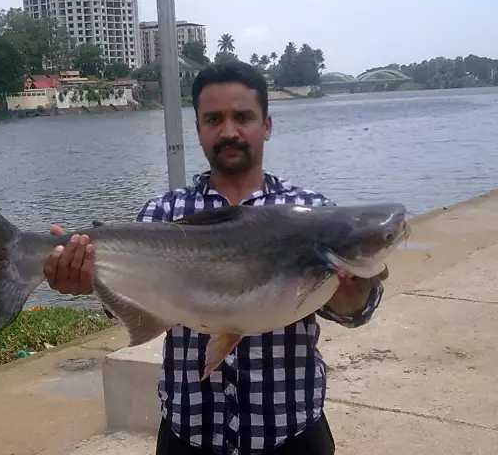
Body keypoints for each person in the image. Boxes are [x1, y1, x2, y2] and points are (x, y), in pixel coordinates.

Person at [43, 60, 388, 455]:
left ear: (267, 125)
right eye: (214, 119)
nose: (229, 132)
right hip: (189, 433)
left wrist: (353, 296)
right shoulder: (161, 215)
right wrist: (85, 279)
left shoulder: (312, 211)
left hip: (291, 433)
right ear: (198, 130)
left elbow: (358, 310)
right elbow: (128, 307)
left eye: (243, 117)